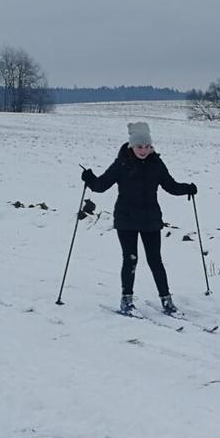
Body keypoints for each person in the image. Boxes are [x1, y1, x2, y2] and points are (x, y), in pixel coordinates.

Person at [82, 121, 196, 315]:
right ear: (131, 145)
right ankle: (126, 300)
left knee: (155, 260)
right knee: (130, 259)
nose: (143, 150)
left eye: (147, 146)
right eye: (139, 146)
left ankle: (166, 301)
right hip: (126, 219)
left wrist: (188, 188)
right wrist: (89, 178)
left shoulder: (156, 164)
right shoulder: (122, 163)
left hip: (151, 219)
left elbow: (170, 185)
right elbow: (101, 185)